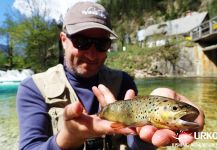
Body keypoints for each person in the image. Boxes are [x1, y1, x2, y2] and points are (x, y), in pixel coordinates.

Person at [16, 2, 204, 150]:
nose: (91, 53)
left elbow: (133, 145)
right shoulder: (33, 88)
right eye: (82, 42)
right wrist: (68, 138)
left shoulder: (124, 82)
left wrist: (148, 138)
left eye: (101, 44)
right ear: (64, 40)